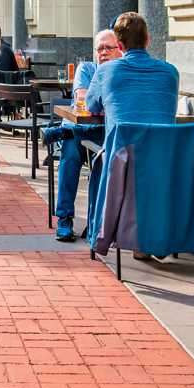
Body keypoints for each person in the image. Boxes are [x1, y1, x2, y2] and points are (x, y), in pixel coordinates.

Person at [77, 14, 179, 257]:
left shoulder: (106, 71)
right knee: (144, 164)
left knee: (99, 158)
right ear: (148, 40)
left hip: (122, 158)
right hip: (167, 158)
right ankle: (150, 238)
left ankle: (105, 233)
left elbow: (91, 106)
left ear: (120, 46)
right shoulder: (170, 72)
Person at [46, 30, 121, 240]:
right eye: (99, 49)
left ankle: (94, 222)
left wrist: (99, 105)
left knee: (74, 141)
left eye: (109, 48)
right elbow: (83, 98)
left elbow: (104, 106)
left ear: (121, 49)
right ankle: (65, 218)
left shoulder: (123, 71)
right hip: (85, 134)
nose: (103, 53)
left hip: (106, 135)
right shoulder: (87, 68)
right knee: (70, 151)